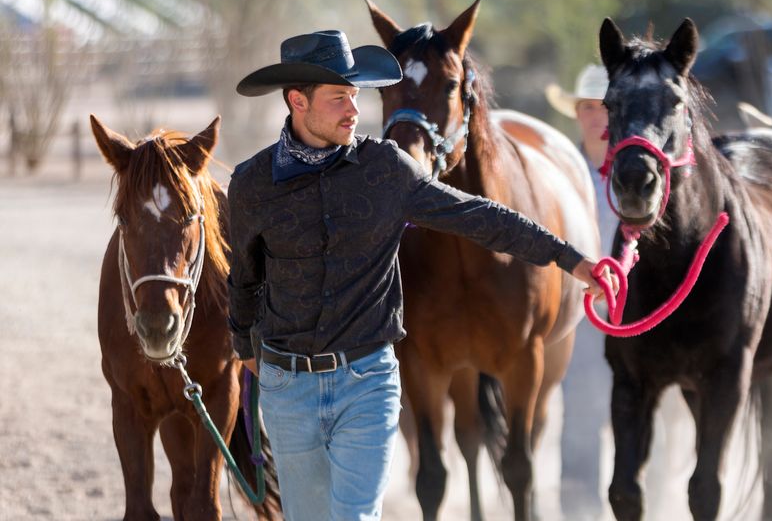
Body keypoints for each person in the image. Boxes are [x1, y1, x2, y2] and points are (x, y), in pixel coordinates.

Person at [227, 29, 607, 521]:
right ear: (297, 100)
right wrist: (245, 349)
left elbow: (480, 216)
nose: (354, 110)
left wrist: (572, 259)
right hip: (288, 390)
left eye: (356, 95)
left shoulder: (384, 168)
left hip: (366, 383)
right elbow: (245, 280)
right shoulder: (252, 184)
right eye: (339, 97)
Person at [546, 63, 619, 520]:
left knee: (650, 409)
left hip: (639, 310)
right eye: (589, 107)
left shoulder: (641, 173)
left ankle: (650, 494)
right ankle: (579, 509)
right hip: (585, 311)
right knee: (581, 412)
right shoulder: (559, 173)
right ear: (576, 113)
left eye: (606, 107)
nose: (598, 117)